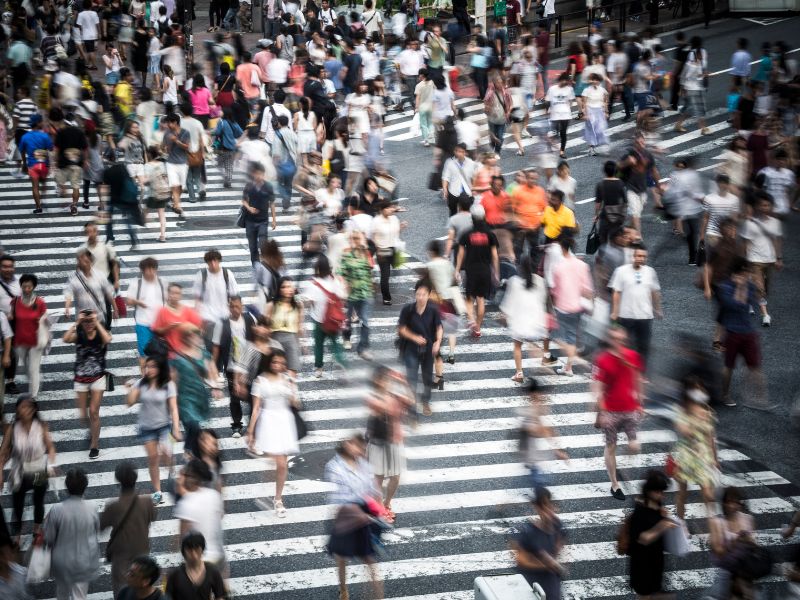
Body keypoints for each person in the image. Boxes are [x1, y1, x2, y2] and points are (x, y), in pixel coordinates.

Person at [324, 434, 384, 600]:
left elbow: (374, 488)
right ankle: (343, 590)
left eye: (361, 447)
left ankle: (377, 596)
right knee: (341, 556)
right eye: (356, 446)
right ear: (346, 445)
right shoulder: (335, 466)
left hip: (365, 513)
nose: (360, 450)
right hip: (346, 514)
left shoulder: (364, 464)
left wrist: (378, 505)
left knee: (369, 558)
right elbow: (340, 497)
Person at [593, 326, 644, 500]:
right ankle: (615, 483)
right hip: (611, 411)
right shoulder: (602, 360)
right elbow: (598, 388)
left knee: (634, 446)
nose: (619, 343)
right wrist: (602, 411)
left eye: (621, 339)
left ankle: (619, 467)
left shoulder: (633, 356)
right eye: (615, 339)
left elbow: (637, 379)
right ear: (609, 340)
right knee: (611, 446)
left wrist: (640, 403)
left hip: (629, 409)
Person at [247, 350, 300, 517]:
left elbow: (296, 404)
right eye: (275, 362)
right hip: (268, 422)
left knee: (281, 464)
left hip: (285, 421)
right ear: (269, 362)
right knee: (278, 461)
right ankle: (274, 497)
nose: (278, 366)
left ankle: (277, 498)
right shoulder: (260, 381)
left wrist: (291, 388)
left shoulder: (288, 379)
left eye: (281, 363)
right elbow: (256, 408)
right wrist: (251, 431)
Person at [0, 395, 57, 546]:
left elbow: (50, 447)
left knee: (38, 500)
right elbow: (3, 452)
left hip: (38, 468)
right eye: (21, 408)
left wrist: (50, 465)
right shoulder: (13, 428)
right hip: (19, 471)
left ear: (33, 410)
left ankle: (37, 529)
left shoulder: (41, 425)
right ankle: (17, 536)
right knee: (17, 504)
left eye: (27, 408)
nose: (23, 411)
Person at [126, 356, 181, 504]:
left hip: (165, 426)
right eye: (147, 367)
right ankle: (157, 491)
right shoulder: (140, 384)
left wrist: (176, 428)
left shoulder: (168, 384)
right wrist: (130, 390)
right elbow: (129, 403)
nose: (149, 369)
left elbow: (174, 409)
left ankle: (171, 470)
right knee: (152, 459)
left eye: (153, 366)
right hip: (146, 428)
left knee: (166, 452)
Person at [717, 260, 769, 409]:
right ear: (737, 273)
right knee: (729, 366)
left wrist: (759, 288)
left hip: (748, 332)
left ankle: (761, 399)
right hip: (732, 333)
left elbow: (756, 298)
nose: (748, 276)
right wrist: (740, 287)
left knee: (755, 365)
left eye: (749, 273)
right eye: (746, 273)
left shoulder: (750, 286)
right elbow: (734, 305)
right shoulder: (725, 287)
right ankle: (725, 394)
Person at [100, 462, 157, 597]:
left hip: (121, 554)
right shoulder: (147, 502)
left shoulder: (113, 506)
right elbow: (152, 517)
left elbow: (101, 527)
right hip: (142, 550)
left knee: (121, 589)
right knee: (142, 587)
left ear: (118, 480)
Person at [63, 307, 112, 460]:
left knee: (94, 412)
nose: (89, 324)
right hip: (81, 378)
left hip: (98, 377)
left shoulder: (100, 334)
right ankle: (92, 430)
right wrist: (77, 322)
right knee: (83, 415)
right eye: (87, 321)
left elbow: (108, 339)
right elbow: (65, 339)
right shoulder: (79, 335)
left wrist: (96, 322)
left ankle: (94, 445)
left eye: (91, 321)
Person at [44, 468, 101, 600]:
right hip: (84, 560)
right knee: (80, 595)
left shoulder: (57, 510)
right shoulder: (92, 507)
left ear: (67, 486)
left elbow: (49, 537)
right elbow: (95, 530)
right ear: (85, 487)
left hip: (62, 561)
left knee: (62, 593)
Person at [672, 380, 718, 522]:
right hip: (686, 457)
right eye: (695, 390)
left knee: (708, 494)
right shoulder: (681, 410)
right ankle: (681, 523)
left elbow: (711, 436)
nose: (699, 393)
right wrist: (695, 415)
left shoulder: (708, 411)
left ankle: (714, 524)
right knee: (682, 493)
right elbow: (684, 431)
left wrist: (715, 458)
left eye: (701, 389)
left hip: (704, 457)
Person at [171, 328, 221, 457]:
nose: (196, 339)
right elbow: (173, 380)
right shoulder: (177, 357)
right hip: (184, 398)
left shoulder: (205, 355)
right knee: (193, 425)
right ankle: (189, 450)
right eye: (192, 337)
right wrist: (171, 399)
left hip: (199, 396)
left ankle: (194, 456)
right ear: (186, 338)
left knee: (193, 428)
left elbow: (213, 373)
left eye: (197, 336)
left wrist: (216, 388)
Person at [609, 245, 662, 367]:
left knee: (643, 345)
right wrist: (615, 311)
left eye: (644, 256)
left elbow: (655, 292)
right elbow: (616, 292)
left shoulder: (650, 271)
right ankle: (624, 368)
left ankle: (641, 372)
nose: (641, 259)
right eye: (639, 256)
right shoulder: (621, 271)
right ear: (633, 256)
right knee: (625, 344)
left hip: (645, 315)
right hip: (626, 314)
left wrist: (658, 309)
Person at [626, 470, 676, 598]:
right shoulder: (640, 512)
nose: (662, 495)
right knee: (644, 596)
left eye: (662, 492)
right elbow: (643, 539)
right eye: (658, 492)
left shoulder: (657, 505)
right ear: (649, 491)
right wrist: (662, 526)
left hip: (655, 560)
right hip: (642, 564)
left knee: (652, 594)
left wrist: (664, 516)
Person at [397, 279, 443, 417]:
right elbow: (401, 329)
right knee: (411, 379)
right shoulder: (408, 309)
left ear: (429, 295)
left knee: (427, 378)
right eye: (418, 294)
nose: (420, 297)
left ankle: (425, 401)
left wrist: (438, 342)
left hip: (428, 350)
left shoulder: (433, 310)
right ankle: (411, 407)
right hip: (410, 349)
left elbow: (439, 327)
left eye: (423, 294)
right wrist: (414, 337)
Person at [510, 487, 567, 599]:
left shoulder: (557, 525)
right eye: (543, 507)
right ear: (537, 508)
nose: (548, 510)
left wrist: (553, 561)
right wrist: (545, 565)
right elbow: (521, 560)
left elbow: (559, 545)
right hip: (531, 581)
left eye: (549, 505)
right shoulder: (528, 532)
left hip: (550, 579)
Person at [211, 295, 256, 434]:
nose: (235, 309)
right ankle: (237, 424)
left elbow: (256, 339)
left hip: (248, 364)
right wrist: (215, 367)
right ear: (228, 307)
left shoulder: (249, 319)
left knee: (253, 394)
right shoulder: (222, 324)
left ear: (242, 306)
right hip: (231, 365)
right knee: (234, 396)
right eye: (232, 306)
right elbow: (216, 346)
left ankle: (253, 424)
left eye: (238, 306)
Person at [501, 255, 549, 383]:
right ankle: (545, 356)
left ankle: (519, 373)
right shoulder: (540, 280)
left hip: (520, 320)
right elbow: (543, 300)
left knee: (517, 346)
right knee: (541, 339)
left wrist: (505, 315)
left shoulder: (515, 281)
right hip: (536, 318)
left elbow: (509, 302)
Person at [454, 204, 499, 339]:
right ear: (484, 217)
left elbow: (461, 254)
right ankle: (478, 328)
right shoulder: (490, 234)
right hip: (485, 270)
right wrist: (496, 272)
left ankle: (471, 319)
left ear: (472, 218)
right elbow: (495, 255)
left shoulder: (467, 234)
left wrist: (457, 270)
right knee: (481, 299)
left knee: (469, 297)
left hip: (471, 270)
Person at [549, 236, 593, 376]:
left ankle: (569, 367)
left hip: (563, 306)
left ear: (562, 248)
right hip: (578, 306)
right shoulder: (582, 265)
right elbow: (587, 288)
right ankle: (569, 365)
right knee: (573, 335)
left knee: (566, 338)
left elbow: (554, 290)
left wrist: (553, 304)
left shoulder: (558, 267)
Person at [739, 192, 783, 327]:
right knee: (760, 287)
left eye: (767, 205)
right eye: (762, 205)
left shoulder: (775, 223)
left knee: (765, 288)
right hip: (754, 259)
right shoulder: (750, 223)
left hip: (769, 260)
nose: (765, 208)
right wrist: (745, 260)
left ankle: (750, 301)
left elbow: (776, 241)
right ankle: (765, 315)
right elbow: (746, 243)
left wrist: (778, 258)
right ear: (758, 207)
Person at [707, 487, 757, 600]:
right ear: (723, 503)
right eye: (729, 502)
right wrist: (735, 541)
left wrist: (749, 541)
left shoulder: (748, 519)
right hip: (727, 570)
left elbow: (754, 545)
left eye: (736, 502)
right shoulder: (717, 522)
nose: (732, 506)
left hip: (745, 570)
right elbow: (718, 551)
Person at [174, 462, 226, 568]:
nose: (180, 477)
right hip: (217, 554)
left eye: (184, 474)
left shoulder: (186, 504)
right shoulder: (213, 495)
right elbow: (220, 516)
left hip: (199, 560)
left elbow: (183, 539)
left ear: (191, 478)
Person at [8, 274, 48, 398]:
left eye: (29, 287)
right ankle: (33, 380)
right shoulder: (15, 301)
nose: (26, 289)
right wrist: (9, 316)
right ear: (21, 286)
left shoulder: (40, 302)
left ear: (33, 287)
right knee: (26, 368)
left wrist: (41, 320)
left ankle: (33, 396)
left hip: (35, 341)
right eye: (24, 286)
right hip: (20, 340)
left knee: (33, 369)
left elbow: (46, 318)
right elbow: (11, 315)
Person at [125, 257, 166, 373]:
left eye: (153, 269)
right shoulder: (136, 283)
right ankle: (144, 378)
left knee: (162, 351)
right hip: (143, 323)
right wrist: (138, 302)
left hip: (160, 324)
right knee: (143, 353)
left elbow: (169, 300)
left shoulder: (162, 282)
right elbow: (128, 301)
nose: (151, 272)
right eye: (148, 269)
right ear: (142, 270)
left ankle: (160, 377)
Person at [339, 230, 374, 359]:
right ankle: (346, 338)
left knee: (365, 321)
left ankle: (363, 348)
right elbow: (340, 271)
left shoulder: (366, 253)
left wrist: (370, 285)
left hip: (365, 293)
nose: (355, 241)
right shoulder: (346, 253)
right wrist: (344, 284)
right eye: (353, 239)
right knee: (347, 319)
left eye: (357, 239)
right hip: (351, 294)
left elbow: (369, 269)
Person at [166, 532, 228, 600]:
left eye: (197, 549)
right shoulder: (175, 575)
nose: (194, 554)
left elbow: (220, 596)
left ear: (202, 549)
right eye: (189, 550)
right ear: (184, 551)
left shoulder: (213, 571)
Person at [192, 248, 240, 336]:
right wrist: (198, 317)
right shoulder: (201, 276)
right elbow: (197, 298)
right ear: (207, 263)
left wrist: (235, 314)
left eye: (215, 261)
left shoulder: (227, 274)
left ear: (219, 261)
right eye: (210, 262)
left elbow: (235, 296)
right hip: (207, 316)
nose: (213, 264)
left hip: (225, 315)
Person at [264, 277, 303, 377]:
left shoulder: (298, 305)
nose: (288, 289)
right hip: (275, 339)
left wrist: (301, 343)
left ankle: (289, 391)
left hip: (292, 340)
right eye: (284, 287)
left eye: (290, 286)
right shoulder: (272, 305)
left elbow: (299, 327)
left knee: (292, 374)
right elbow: (265, 325)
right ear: (279, 290)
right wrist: (265, 343)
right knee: (275, 371)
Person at [151, 283, 203, 356]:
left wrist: (188, 328)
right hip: (170, 352)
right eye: (172, 293)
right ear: (168, 294)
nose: (175, 295)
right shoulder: (162, 311)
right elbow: (157, 330)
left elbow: (198, 328)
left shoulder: (187, 310)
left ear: (181, 295)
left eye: (178, 293)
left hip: (186, 353)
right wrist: (168, 328)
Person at [241, 163, 278, 266]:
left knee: (263, 244)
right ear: (253, 174)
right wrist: (249, 208)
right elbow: (244, 200)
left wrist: (274, 220)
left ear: (263, 174)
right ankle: (256, 267)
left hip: (263, 221)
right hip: (250, 221)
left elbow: (272, 203)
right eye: (257, 174)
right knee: (252, 247)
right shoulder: (249, 186)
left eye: (261, 174)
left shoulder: (268, 186)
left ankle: (265, 265)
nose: (259, 176)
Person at [18, 114, 53, 214]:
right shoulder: (45, 136)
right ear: (38, 123)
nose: (43, 123)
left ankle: (38, 207)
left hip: (32, 165)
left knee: (35, 186)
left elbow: (22, 151)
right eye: (41, 121)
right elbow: (50, 148)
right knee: (43, 183)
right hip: (44, 165)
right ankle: (43, 199)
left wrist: (24, 163)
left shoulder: (25, 137)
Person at [372, 202, 403, 306]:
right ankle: (386, 298)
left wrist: (401, 227)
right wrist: (377, 249)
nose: (391, 209)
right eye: (388, 208)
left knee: (396, 266)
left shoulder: (394, 219)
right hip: (382, 250)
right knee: (385, 275)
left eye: (391, 207)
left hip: (393, 248)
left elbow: (396, 233)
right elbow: (372, 237)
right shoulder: (376, 221)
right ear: (382, 209)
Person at [441, 143, 477, 217]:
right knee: (453, 212)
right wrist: (445, 189)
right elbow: (445, 177)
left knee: (468, 213)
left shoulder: (471, 163)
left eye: (461, 152)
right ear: (455, 151)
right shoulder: (449, 162)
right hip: (453, 192)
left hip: (467, 192)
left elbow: (474, 177)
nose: (459, 153)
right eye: (457, 151)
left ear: (465, 152)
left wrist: (474, 190)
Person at [545, 73, 575, 158]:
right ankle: (550, 147)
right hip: (554, 114)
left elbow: (571, 101)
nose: (564, 82)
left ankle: (562, 151)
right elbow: (547, 101)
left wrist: (567, 108)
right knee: (553, 132)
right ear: (559, 80)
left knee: (563, 133)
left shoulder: (569, 89)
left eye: (566, 81)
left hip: (565, 115)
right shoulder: (552, 89)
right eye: (563, 80)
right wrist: (547, 110)